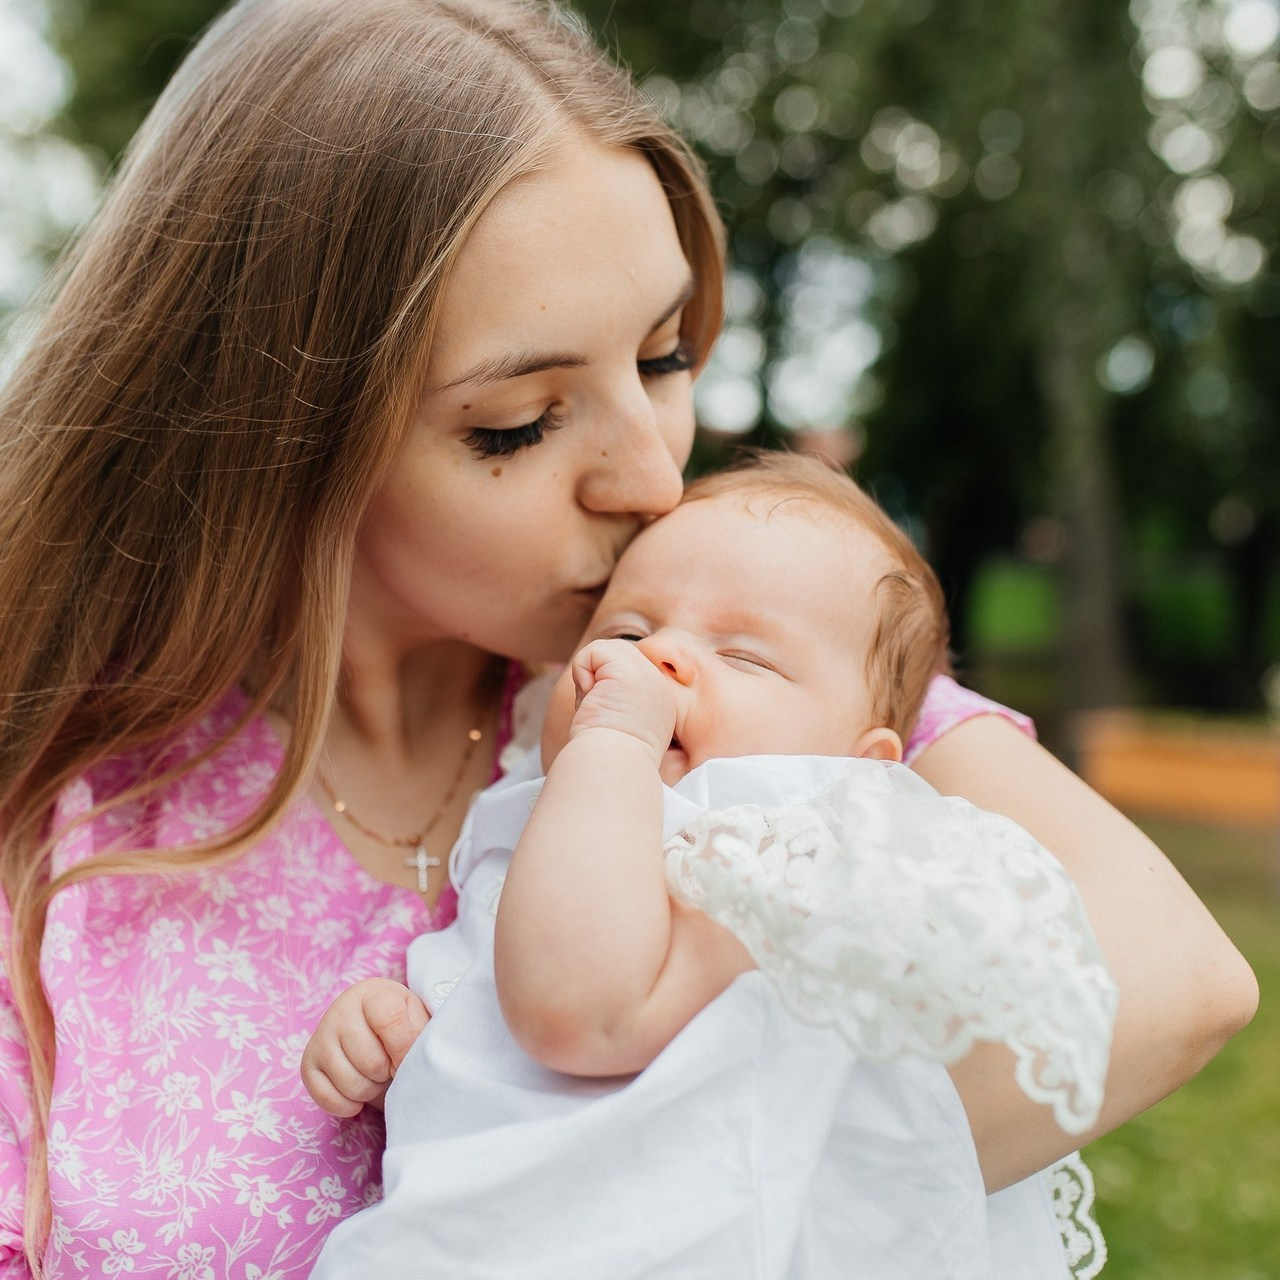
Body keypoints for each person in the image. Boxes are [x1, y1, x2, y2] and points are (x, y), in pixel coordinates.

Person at [0, 0, 1256, 1274]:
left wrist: (627, 1217)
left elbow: (1167, 979)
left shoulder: (751, 661)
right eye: (519, 422)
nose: (654, 478)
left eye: (664, 354)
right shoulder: (55, 808)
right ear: (272, 425)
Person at [303, 452, 1121, 1278]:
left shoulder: (778, 858)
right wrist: (413, 1028)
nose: (660, 660)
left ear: (863, 767)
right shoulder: (553, 803)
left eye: (747, 657)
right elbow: (510, 1017)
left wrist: (617, 741)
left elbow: (578, 1009)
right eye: (627, 632)